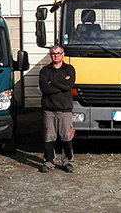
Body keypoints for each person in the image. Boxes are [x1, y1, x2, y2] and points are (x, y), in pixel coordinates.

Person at [38, 44, 76, 173]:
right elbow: (44, 89)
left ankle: (68, 162)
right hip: (49, 110)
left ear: (63, 54)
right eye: (54, 54)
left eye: (58, 53)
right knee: (49, 137)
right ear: (50, 55)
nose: (56, 56)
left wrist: (52, 82)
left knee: (66, 137)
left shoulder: (69, 69)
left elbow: (69, 85)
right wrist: (61, 85)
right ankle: (48, 162)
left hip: (65, 109)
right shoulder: (44, 71)